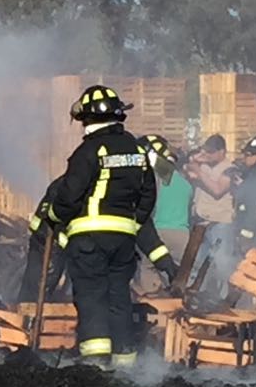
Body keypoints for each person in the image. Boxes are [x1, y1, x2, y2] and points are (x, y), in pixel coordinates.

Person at [50, 85, 156, 366]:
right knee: (119, 296)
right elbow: (148, 195)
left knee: (91, 296)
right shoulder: (136, 150)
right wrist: (133, 224)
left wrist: (57, 215)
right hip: (124, 241)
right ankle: (126, 365)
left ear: (86, 119)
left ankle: (95, 365)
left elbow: (70, 195)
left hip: (89, 240)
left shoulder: (89, 150)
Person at [134, 134, 188, 294]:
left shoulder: (151, 178)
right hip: (183, 235)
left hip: (157, 234)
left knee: (148, 277)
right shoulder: (183, 180)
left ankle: (157, 312)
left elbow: (147, 207)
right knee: (176, 279)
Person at [184, 134, 235, 296]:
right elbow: (187, 169)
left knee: (222, 264)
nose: (209, 155)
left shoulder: (231, 169)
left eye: (212, 152)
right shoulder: (203, 166)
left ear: (222, 152)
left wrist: (199, 170)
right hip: (201, 223)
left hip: (221, 224)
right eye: (207, 151)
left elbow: (218, 190)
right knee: (197, 263)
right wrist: (196, 159)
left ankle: (224, 298)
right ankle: (195, 295)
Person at [17, 176, 68, 303]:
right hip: (52, 243)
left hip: (40, 238)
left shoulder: (60, 183)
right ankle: (32, 314)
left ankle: (27, 309)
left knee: (32, 285)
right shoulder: (75, 186)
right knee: (41, 287)